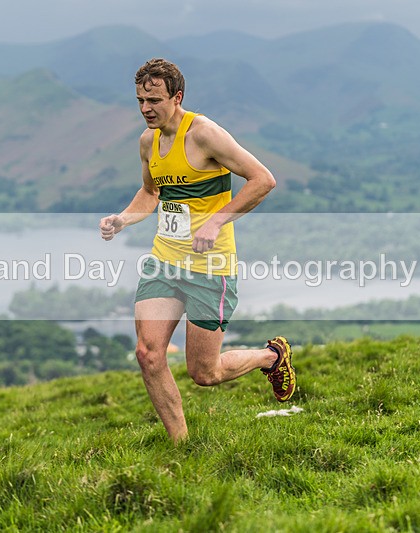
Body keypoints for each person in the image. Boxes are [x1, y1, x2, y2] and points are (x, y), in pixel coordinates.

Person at [100, 58, 296, 443]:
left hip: (210, 266)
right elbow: (151, 192)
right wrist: (123, 219)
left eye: (154, 100)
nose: (145, 109)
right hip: (164, 262)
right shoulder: (148, 142)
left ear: (177, 97)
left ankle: (271, 357)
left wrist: (216, 222)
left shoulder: (204, 134)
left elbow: (263, 179)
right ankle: (181, 445)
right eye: (140, 101)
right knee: (148, 354)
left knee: (205, 373)